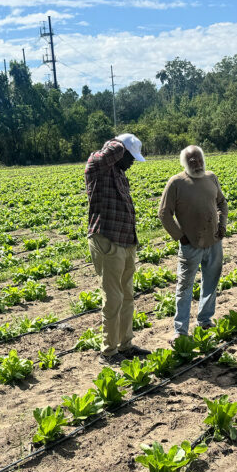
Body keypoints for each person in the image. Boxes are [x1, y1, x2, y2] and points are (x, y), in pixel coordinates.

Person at [84, 133, 151, 361]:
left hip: (126, 241)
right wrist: (121, 144)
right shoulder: (96, 167)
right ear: (120, 150)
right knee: (113, 298)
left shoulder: (120, 175)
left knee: (127, 297)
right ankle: (109, 352)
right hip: (107, 240)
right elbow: (110, 152)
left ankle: (125, 345)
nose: (132, 162)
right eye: (130, 156)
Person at [157, 146, 228, 340]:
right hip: (191, 245)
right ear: (184, 164)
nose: (196, 163)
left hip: (213, 241)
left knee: (211, 282)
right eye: (191, 160)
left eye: (198, 158)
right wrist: (180, 237)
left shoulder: (211, 178)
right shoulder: (176, 183)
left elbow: (222, 203)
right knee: (185, 286)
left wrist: (222, 224)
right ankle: (180, 330)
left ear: (204, 159)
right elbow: (164, 213)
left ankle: (204, 320)